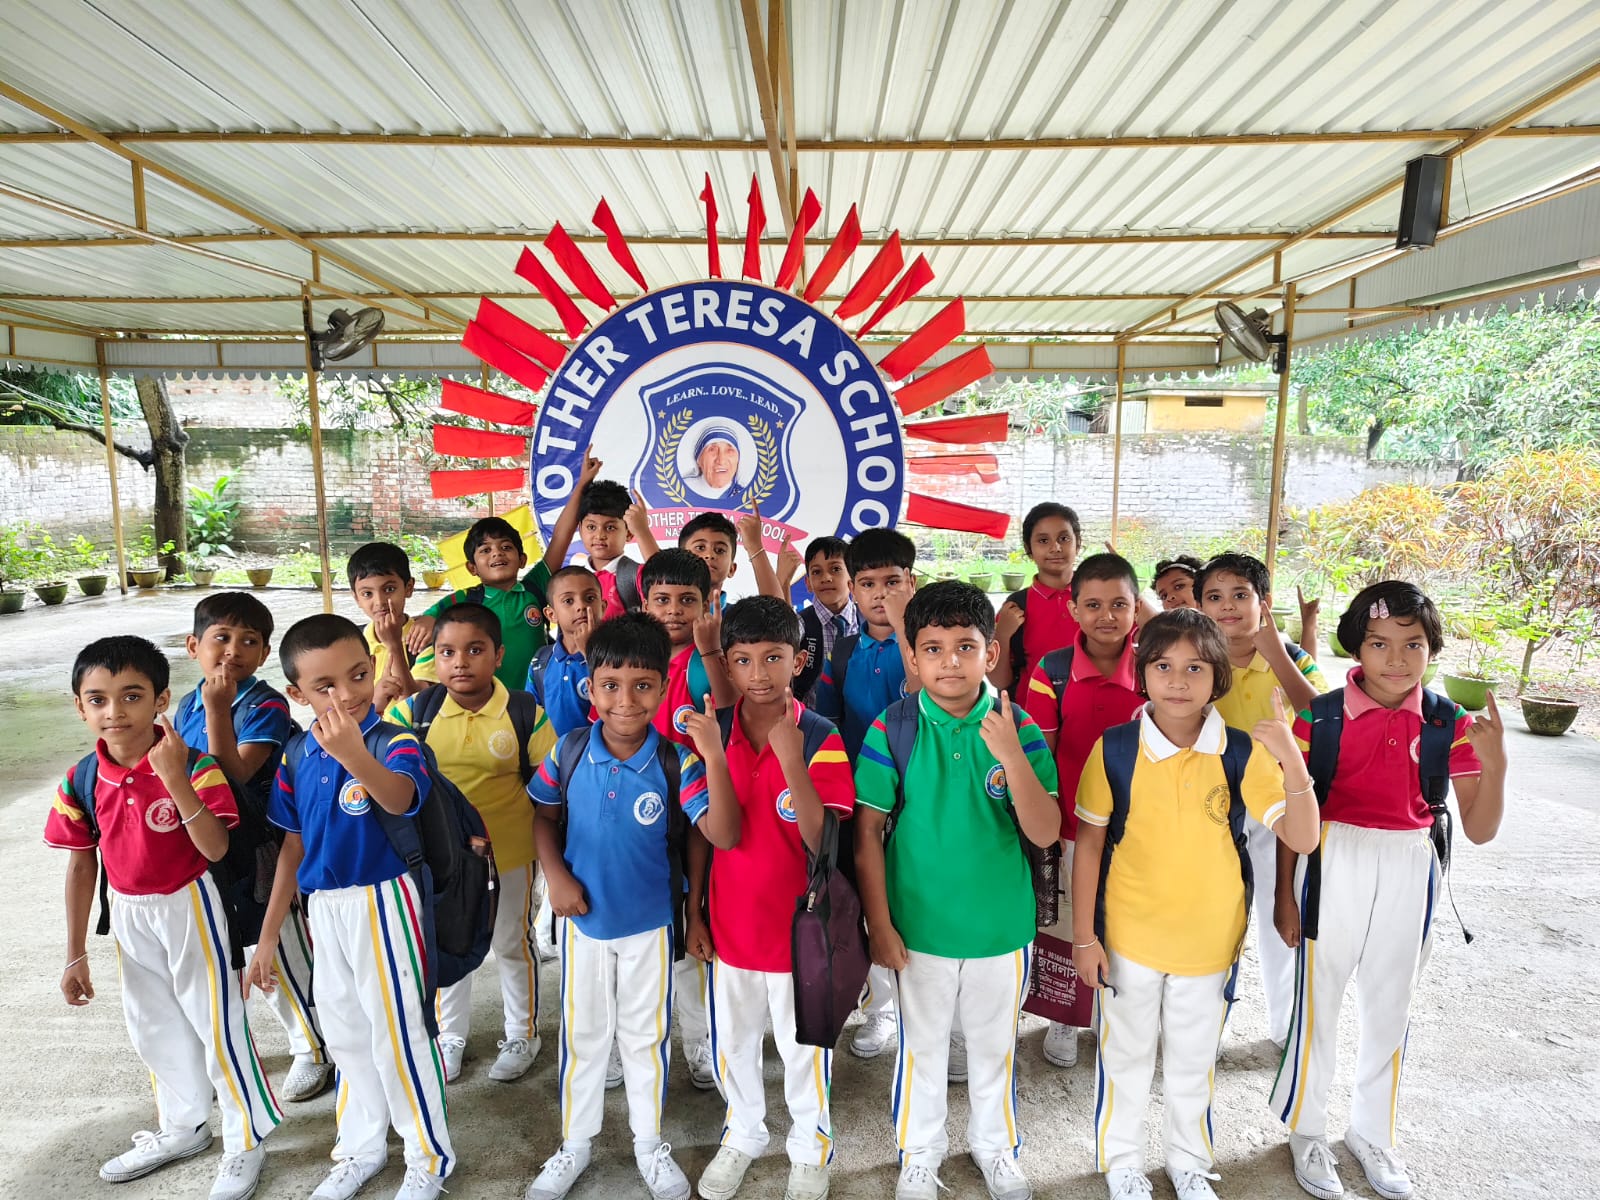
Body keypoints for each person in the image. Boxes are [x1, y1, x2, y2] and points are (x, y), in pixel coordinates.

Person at [1072, 608, 1321, 1200]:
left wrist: (1291, 762)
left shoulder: (1239, 752)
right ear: (1142, 674)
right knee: (1126, 1055)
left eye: (1195, 668)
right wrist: (1085, 937)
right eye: (1163, 666)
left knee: (1192, 1058)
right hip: (1129, 939)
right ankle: (1123, 1163)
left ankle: (1188, 1161)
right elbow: (1088, 847)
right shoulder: (1113, 750)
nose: (1178, 681)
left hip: (1210, 943)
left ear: (1218, 680)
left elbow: (1304, 837)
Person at [1270, 581, 1506, 1200]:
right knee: (1318, 998)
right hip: (1332, 854)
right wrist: (1283, 895)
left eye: (1413, 645)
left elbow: (1479, 829)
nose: (1396, 660)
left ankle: (1372, 1133)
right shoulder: (1316, 717)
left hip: (1410, 863)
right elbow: (1296, 816)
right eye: (1379, 644)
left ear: (1433, 651)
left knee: (1390, 1003)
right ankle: (1307, 1129)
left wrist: (1497, 763)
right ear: (1356, 648)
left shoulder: (1447, 722)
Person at [49, 635, 280, 1200]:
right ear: (80, 707)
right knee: (152, 1025)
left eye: (131, 696)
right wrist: (75, 952)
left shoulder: (193, 765)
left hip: (190, 904)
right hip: (129, 912)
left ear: (161, 700)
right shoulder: (80, 779)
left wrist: (174, 777)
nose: (114, 712)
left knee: (216, 1024)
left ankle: (244, 1139)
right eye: (97, 699)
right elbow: (82, 866)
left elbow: (216, 849)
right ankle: (183, 1126)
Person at [523, 612, 740, 1200]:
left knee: (645, 1037)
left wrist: (713, 753)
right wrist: (556, 875)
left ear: (662, 688)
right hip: (583, 925)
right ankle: (575, 1143)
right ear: (590, 689)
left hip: (650, 924)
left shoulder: (676, 760)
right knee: (585, 1035)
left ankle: (649, 1143)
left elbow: (717, 833)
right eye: (611, 686)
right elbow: (541, 814)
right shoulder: (569, 750)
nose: (626, 700)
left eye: (643, 685)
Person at [854, 582, 1060, 1200]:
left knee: (994, 1047)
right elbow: (866, 834)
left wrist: (1010, 754)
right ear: (912, 659)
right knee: (922, 1048)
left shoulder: (1016, 725)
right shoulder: (892, 727)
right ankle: (920, 1153)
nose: (950, 662)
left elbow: (1045, 828)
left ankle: (996, 1149)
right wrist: (880, 925)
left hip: (1000, 925)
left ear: (990, 654)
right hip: (919, 927)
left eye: (965, 647)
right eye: (933, 649)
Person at [247, 614, 452, 1200]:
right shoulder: (295, 755)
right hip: (324, 908)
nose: (347, 694)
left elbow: (402, 796)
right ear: (297, 694)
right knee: (344, 1032)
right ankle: (361, 1148)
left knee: (399, 1032)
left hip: (384, 899)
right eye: (325, 686)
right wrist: (267, 938)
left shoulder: (395, 739)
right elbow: (292, 845)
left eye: (358, 675)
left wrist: (356, 755)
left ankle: (428, 1157)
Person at [687, 597, 855, 1200]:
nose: (759, 673)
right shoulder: (715, 734)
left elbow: (822, 837)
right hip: (732, 929)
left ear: (798, 660)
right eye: (744, 660)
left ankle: (810, 1147)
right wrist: (695, 913)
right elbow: (711, 837)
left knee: (805, 1047)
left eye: (773, 658)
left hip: (800, 935)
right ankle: (743, 1133)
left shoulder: (820, 735)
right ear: (727, 668)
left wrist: (791, 759)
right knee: (733, 1041)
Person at [385, 604, 556, 1085]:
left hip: (511, 853)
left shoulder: (525, 713)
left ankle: (522, 1033)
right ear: (433, 661)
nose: (461, 662)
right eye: (447, 652)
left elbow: (550, 784)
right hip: (442, 860)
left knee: (510, 942)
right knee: (448, 942)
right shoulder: (409, 714)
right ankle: (449, 1037)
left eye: (475, 650)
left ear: (499, 655)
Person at [174, 590, 331, 1103]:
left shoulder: (262, 702)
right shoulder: (186, 703)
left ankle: (314, 1046)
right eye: (221, 637)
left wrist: (219, 709)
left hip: (263, 843)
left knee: (284, 950)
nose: (233, 651)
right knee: (238, 950)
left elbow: (231, 774)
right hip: (213, 845)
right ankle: (279, 1039)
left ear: (264, 654)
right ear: (194, 645)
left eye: (249, 641)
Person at [1018, 552, 1145, 1070]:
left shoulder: (1159, 662)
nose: (1107, 616)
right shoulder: (1052, 671)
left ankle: (1122, 1020)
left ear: (1139, 608)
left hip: (1141, 828)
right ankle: (1066, 1021)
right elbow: (1040, 755)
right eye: (1093, 605)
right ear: (1073, 610)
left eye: (1120, 604)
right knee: (1068, 921)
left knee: (1128, 924)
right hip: (1071, 824)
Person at [1196, 552, 1328, 1048]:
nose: (1227, 606)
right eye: (1215, 596)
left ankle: (1287, 1027)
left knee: (1282, 915)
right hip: (1212, 809)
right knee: (1214, 918)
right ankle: (1205, 1024)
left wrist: (1276, 655)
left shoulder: (1294, 658)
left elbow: (1324, 718)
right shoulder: (1198, 660)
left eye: (1240, 595)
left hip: (1278, 810)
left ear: (1264, 603)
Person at [810, 527, 919, 1062]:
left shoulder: (927, 644)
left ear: (911, 583)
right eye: (868, 583)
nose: (880, 594)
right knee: (865, 903)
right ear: (851, 588)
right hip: (862, 803)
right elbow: (829, 722)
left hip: (920, 801)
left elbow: (926, 697)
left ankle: (933, 1017)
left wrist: (906, 629)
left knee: (915, 903)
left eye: (892, 582)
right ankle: (881, 1011)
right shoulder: (846, 650)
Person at [638, 547, 736, 1090]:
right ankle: (629, 1043)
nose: (674, 610)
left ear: (708, 602)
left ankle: (699, 1042)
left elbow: (728, 711)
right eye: (662, 599)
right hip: (636, 812)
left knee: (695, 934)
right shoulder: (635, 655)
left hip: (698, 808)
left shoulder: (710, 656)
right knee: (643, 934)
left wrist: (713, 650)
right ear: (643, 601)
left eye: (687, 600)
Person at [405, 448, 600, 680]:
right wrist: (428, 619)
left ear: (522, 559)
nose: (497, 554)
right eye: (486, 550)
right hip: (489, 706)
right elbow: (431, 617)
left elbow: (561, 537)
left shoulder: (534, 588)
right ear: (472, 568)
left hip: (536, 703)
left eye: (506, 547)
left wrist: (582, 484)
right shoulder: (468, 599)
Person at [990, 502, 1082, 694]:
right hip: (1031, 719)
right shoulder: (1016, 606)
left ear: (1078, 543)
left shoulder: (1096, 598)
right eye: (1043, 540)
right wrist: (1002, 634)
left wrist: (1126, 585)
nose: (1055, 547)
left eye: (1064, 538)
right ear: (1028, 548)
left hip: (1089, 715)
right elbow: (1000, 682)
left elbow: (1152, 633)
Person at [347, 541, 438, 711]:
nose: (380, 602)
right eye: (367, 594)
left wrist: (394, 645)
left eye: (389, 589)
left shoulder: (426, 640)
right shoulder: (351, 643)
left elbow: (415, 702)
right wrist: (375, 702)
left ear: (409, 588)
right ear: (356, 598)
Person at [776, 535, 860, 706]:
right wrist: (782, 582)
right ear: (808, 583)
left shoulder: (868, 622)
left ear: (852, 576)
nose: (826, 577)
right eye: (816, 572)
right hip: (812, 722)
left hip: (862, 722)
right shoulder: (803, 623)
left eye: (835, 569)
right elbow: (781, 634)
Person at [528, 564, 606, 737]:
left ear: (603, 606)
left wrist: (589, 652)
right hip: (553, 758)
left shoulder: (617, 657)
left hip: (599, 759)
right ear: (551, 615)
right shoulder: (541, 661)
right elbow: (532, 716)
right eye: (568, 601)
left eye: (590, 598)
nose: (581, 606)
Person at [573, 479, 652, 619]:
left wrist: (643, 532)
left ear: (629, 533)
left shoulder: (637, 576)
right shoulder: (572, 580)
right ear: (580, 529)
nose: (599, 535)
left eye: (610, 527)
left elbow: (667, 582)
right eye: (591, 527)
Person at [688, 423, 746, 505]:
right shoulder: (681, 490)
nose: (721, 460)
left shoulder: (746, 498)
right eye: (712, 450)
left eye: (729, 451)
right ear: (699, 460)